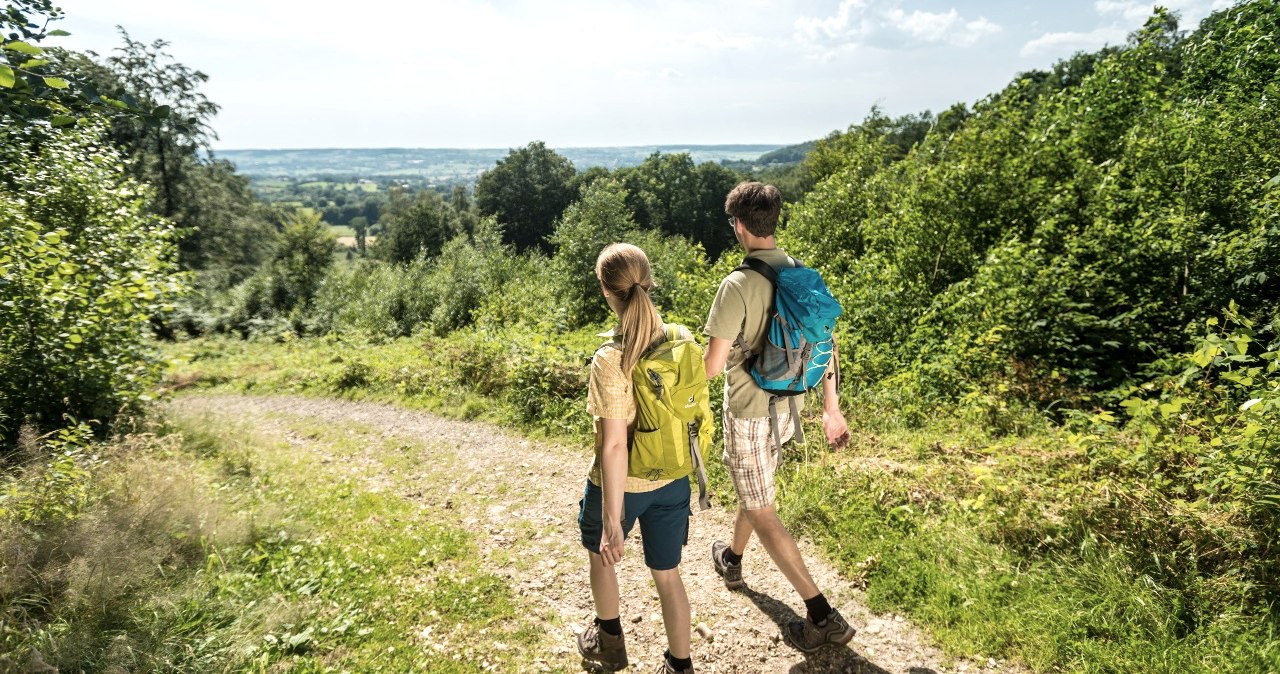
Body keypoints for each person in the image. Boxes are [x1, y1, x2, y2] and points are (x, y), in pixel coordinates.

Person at [702, 181, 856, 652]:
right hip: (789, 407)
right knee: (758, 488)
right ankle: (731, 557)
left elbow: (711, 367)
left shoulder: (737, 285)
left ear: (740, 227)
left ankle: (821, 614)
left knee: (762, 508)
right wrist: (832, 409)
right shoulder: (804, 274)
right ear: (773, 223)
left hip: (749, 412)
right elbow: (826, 348)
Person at [576, 243, 698, 674]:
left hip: (620, 487)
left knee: (601, 555)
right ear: (648, 282)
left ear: (607, 292)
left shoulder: (610, 358)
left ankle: (609, 644)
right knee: (668, 575)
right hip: (672, 479)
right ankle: (679, 665)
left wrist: (613, 521)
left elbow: (613, 445)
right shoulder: (681, 338)